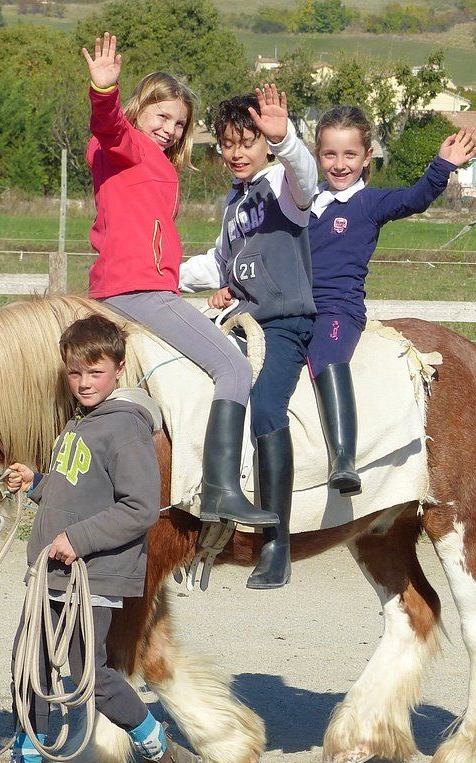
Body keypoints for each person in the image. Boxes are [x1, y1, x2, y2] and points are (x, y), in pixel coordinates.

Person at [81, 32, 276, 530]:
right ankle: (222, 489)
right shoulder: (124, 147)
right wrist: (105, 92)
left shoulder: (157, 166)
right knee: (232, 367)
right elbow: (109, 127)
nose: (168, 129)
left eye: (179, 123)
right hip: (136, 292)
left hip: (140, 288)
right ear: (139, 110)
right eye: (161, 116)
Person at [5, 314, 199, 763]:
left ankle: (157, 746)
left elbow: (140, 508)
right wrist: (37, 483)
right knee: (26, 668)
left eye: (95, 372)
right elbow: (76, 490)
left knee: (90, 677)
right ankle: (28, 755)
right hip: (52, 574)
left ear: (118, 368)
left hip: (94, 577)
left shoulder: (126, 429)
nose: (84, 382)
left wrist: (78, 538)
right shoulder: (79, 425)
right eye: (75, 373)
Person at [180, 85, 319, 589]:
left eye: (247, 141)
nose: (237, 152)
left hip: (284, 322)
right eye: (228, 144)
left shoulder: (284, 181)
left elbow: (309, 179)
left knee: (264, 406)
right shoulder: (233, 203)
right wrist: (161, 272)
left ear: (265, 143)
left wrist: (286, 140)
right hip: (243, 321)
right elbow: (218, 262)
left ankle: (277, 541)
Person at [307, 105, 476, 495]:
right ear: (318, 155)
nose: (339, 164)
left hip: (338, 310)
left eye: (350, 155)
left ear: (367, 157)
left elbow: (416, 198)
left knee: (327, 357)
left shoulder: (371, 203)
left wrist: (442, 166)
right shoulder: (307, 201)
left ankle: (343, 458)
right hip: (295, 307)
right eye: (330, 154)